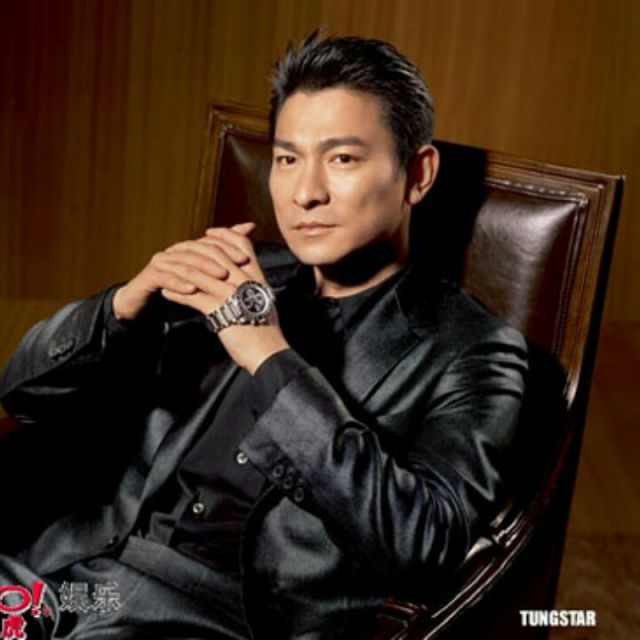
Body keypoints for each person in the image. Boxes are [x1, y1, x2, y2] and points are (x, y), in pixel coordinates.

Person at [0, 33, 527, 639]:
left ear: (417, 173)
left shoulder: (473, 350)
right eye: (287, 159)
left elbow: (423, 539)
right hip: (75, 578)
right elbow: (22, 395)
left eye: (342, 159)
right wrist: (123, 307)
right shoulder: (238, 271)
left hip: (216, 620)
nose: (306, 194)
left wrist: (265, 352)